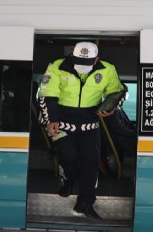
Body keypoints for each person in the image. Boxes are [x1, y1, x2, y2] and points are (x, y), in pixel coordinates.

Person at [38, 41, 124, 220]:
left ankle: (85, 203)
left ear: (96, 60)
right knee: (68, 157)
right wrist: (51, 120)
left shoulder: (107, 69)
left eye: (87, 64)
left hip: (90, 123)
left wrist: (112, 106)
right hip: (61, 121)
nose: (81, 68)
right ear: (72, 57)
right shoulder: (57, 66)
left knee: (91, 162)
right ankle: (68, 179)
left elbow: (117, 92)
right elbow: (47, 94)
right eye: (78, 62)